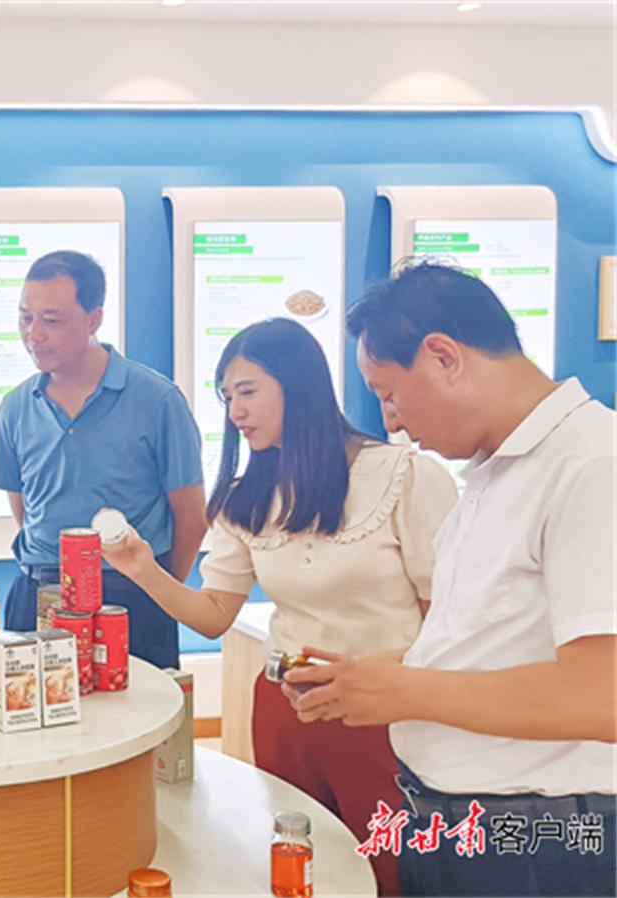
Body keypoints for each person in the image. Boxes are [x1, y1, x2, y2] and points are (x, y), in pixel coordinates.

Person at [287, 262, 615, 897]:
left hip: (536, 840)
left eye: (388, 393)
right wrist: (371, 673)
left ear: (443, 357)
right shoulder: (497, 471)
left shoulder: (590, 464)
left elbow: (602, 695)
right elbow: (490, 644)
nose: (390, 421)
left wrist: (406, 690)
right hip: (460, 820)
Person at [102, 317, 456, 895]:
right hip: (286, 709)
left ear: (299, 383)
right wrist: (144, 570)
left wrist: (380, 674)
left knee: (392, 871)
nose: (236, 412)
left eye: (247, 391)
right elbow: (214, 614)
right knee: (301, 867)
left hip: (382, 712)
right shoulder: (246, 497)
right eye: (226, 398)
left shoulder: (402, 475)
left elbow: (448, 620)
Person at [0, 250, 205, 669]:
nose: (34, 334)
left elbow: (192, 517)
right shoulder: (15, 407)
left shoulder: (157, 400)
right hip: (39, 592)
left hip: (131, 595)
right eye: (25, 318)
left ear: (94, 319)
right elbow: (24, 510)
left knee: (143, 708)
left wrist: (156, 588)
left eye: (52, 320)